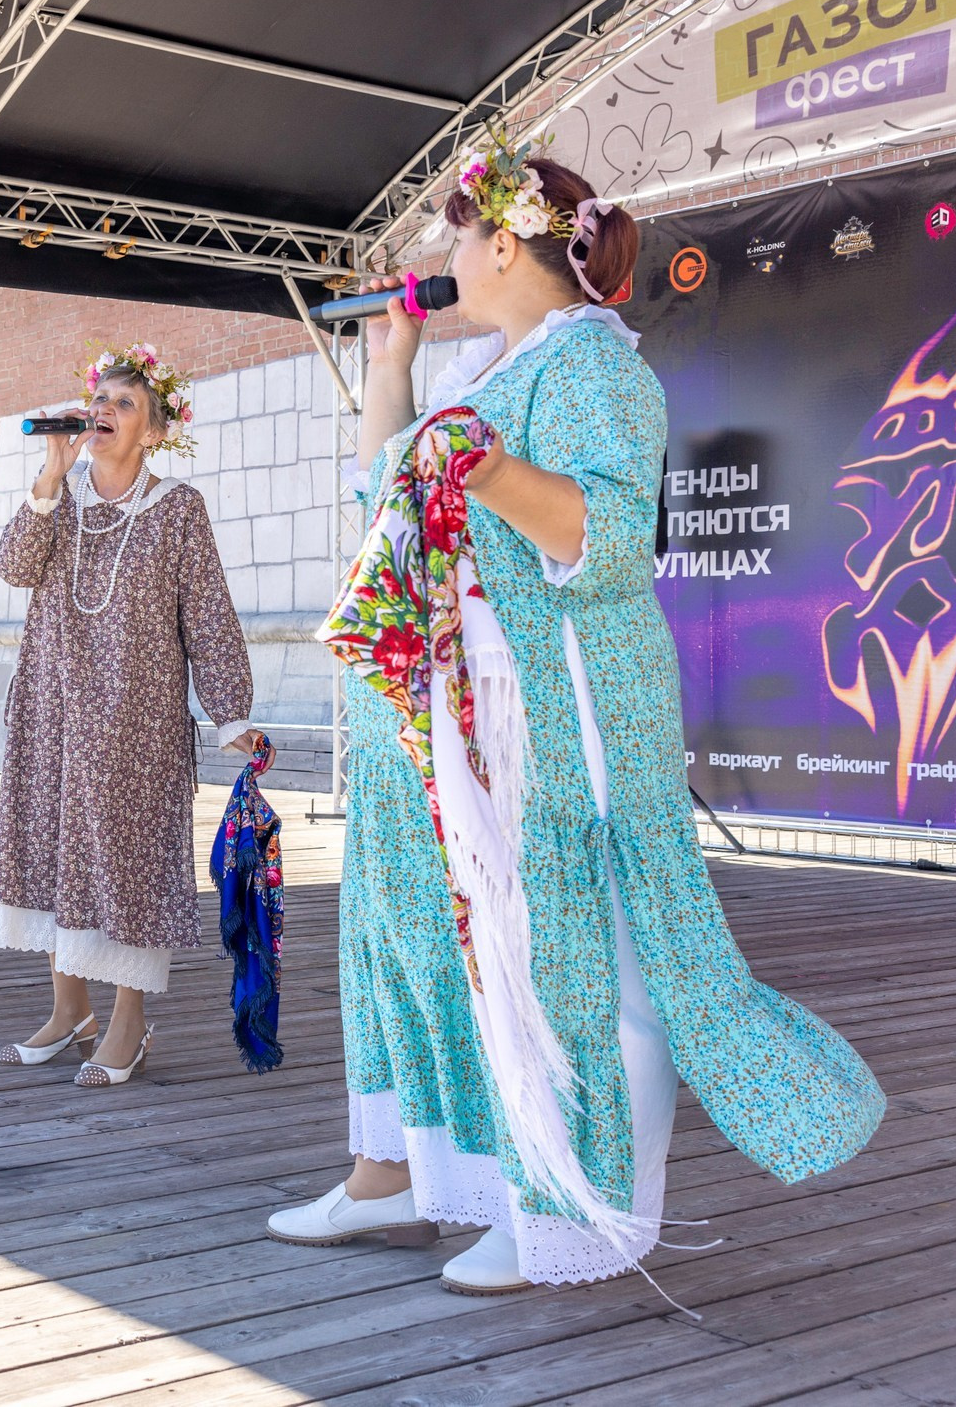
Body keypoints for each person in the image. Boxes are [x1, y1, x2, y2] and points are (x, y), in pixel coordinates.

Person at [266, 144, 882, 1293]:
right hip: (453, 709)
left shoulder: (593, 363)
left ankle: (581, 1208)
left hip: (551, 708)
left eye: (457, 237)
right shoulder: (489, 376)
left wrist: (485, 468)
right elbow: (387, 501)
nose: (444, 260)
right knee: (416, 935)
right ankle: (400, 1169)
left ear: (504, 244)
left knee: (578, 953)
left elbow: (604, 539)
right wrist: (395, 370)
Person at [0, 345, 259, 1086]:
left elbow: (207, 613)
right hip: (52, 709)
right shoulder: (60, 495)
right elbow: (14, 568)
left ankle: (128, 1023)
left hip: (135, 719)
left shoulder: (178, 510)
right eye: (99, 400)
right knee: (48, 849)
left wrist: (230, 711)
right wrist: (48, 474)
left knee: (129, 861)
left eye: (124, 404)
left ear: (156, 431)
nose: (103, 411)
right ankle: (66, 1009)